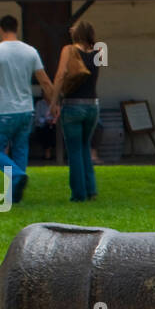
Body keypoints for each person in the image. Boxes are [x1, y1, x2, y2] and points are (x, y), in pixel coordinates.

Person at [0, 14, 56, 202]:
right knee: (21, 149)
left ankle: (15, 175)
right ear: (17, 28)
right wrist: (54, 104)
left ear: (0, 29)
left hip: (4, 109)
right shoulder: (30, 52)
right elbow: (45, 81)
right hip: (26, 109)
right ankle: (15, 194)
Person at [49, 20, 100, 201]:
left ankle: (79, 194)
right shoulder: (99, 51)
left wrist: (54, 102)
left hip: (73, 105)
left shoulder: (68, 50)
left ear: (77, 32)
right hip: (93, 105)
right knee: (85, 146)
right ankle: (91, 189)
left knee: (75, 150)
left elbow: (61, 75)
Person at [32, 91, 56, 161]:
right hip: (43, 126)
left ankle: (7, 170)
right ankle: (47, 153)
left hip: (53, 126)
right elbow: (37, 118)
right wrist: (46, 120)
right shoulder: (39, 104)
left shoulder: (55, 104)